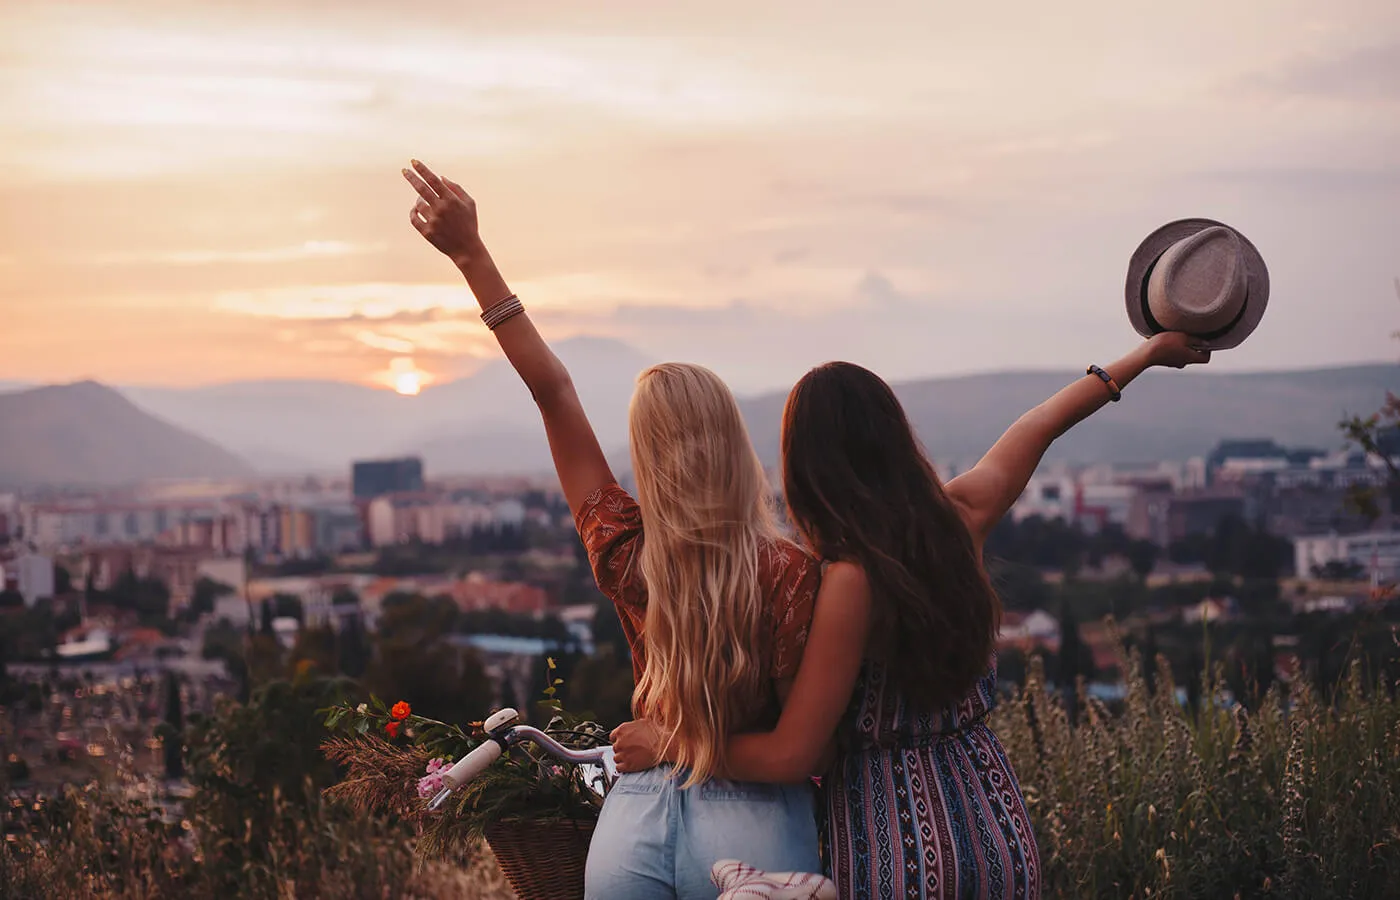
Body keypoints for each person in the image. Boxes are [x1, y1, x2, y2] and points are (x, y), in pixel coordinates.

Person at [613, 334, 1210, 898]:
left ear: (805, 466)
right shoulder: (960, 516)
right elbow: (1043, 423)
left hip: (895, 840)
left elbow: (793, 754)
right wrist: (1149, 353)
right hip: (992, 818)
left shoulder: (846, 581)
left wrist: (673, 743)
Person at [401, 160, 834, 899]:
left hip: (634, 820)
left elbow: (554, 392)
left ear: (650, 460)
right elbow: (800, 746)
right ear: (733, 445)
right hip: (757, 826)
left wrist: (473, 257)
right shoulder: (790, 573)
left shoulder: (628, 556)